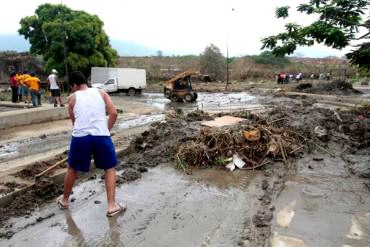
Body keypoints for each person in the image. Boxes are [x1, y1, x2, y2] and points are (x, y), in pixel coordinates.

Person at [57, 71, 125, 217]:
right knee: (109, 169)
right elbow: (113, 113)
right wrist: (105, 131)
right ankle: (112, 206)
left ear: (74, 85)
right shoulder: (101, 93)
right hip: (101, 136)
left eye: (72, 86)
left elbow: (75, 122)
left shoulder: (72, 98)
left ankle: (64, 200)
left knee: (72, 168)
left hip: (81, 137)